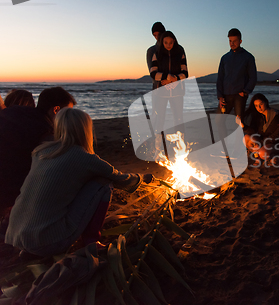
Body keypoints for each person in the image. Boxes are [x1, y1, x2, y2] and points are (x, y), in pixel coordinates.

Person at [5, 108, 153, 256]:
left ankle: (32, 247)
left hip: (17, 237)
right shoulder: (84, 157)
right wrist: (142, 178)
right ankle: (92, 241)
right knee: (103, 184)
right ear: (86, 130)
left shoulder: (41, 152)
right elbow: (120, 179)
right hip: (48, 242)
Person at [0, 87, 76, 220]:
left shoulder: (12, 112)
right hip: (13, 196)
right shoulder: (45, 133)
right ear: (56, 110)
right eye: (67, 113)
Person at [149, 30, 188, 134]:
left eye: (170, 43)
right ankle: (158, 146)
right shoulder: (157, 54)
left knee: (179, 119)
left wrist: (175, 79)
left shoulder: (180, 53)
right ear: (162, 42)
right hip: (161, 92)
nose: (168, 45)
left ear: (174, 41)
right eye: (166, 43)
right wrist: (166, 77)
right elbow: (153, 73)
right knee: (159, 120)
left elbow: (185, 73)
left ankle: (181, 145)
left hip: (177, 92)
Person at [216, 28, 257, 118]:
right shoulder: (224, 58)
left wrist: (246, 91)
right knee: (219, 120)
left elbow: (253, 77)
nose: (232, 43)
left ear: (240, 41)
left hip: (239, 95)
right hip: (225, 95)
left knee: (239, 123)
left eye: (234, 41)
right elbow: (220, 78)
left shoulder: (248, 57)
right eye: (230, 41)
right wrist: (220, 96)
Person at [238, 93, 279, 162]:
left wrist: (261, 143)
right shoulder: (258, 115)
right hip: (262, 141)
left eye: (261, 104)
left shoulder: (276, 116)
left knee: (263, 153)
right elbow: (253, 131)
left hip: (275, 142)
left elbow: (276, 136)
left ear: (266, 102)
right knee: (246, 138)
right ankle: (258, 154)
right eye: (256, 106)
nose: (259, 108)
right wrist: (243, 126)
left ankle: (277, 153)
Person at [146, 22, 166, 89]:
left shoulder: (178, 49)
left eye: (159, 34)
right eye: (154, 35)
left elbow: (183, 71)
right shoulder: (152, 50)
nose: (157, 37)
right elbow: (153, 73)